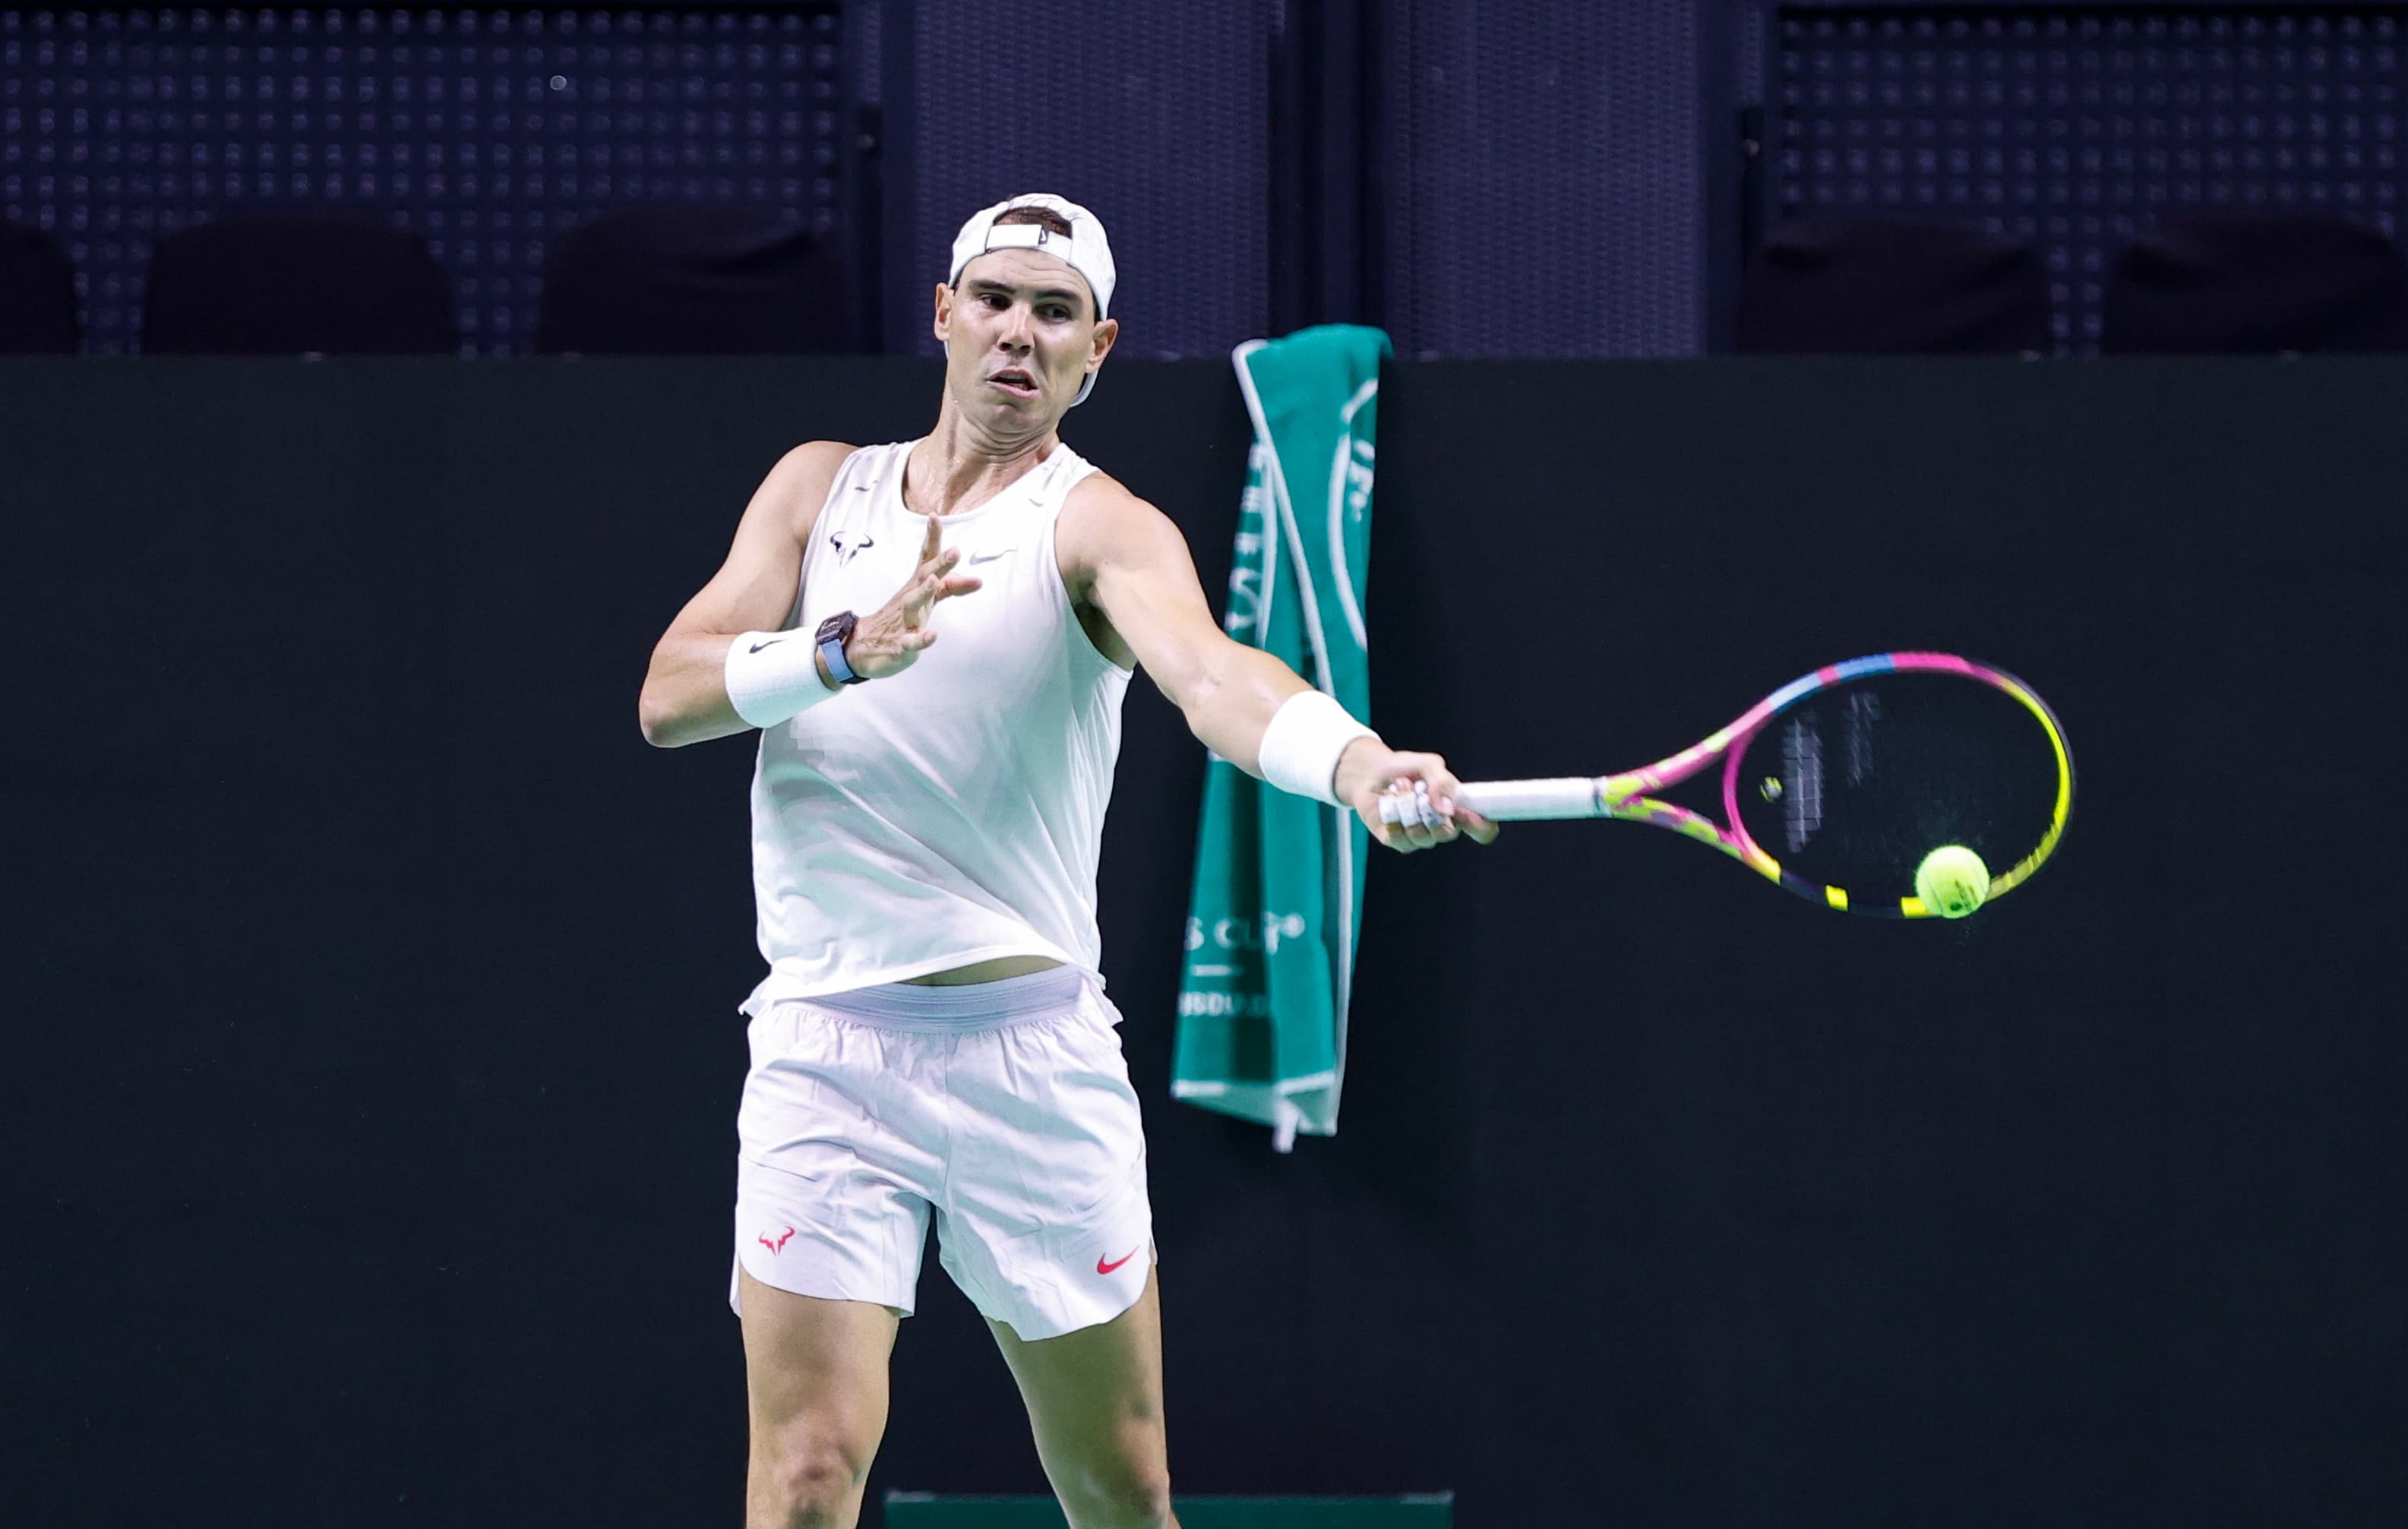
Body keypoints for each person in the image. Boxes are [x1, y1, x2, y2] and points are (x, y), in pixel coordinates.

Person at [637, 193, 1494, 1529]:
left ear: (1097, 349)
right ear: (943, 313)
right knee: (803, 1474)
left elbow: (1215, 679)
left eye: (1054, 314)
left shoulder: (1099, 527)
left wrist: (1354, 764)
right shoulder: (819, 489)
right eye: (994, 300)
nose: (1017, 335)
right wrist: (834, 650)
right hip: (823, 1045)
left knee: (1119, 1484)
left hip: (1029, 1057)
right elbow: (670, 693)